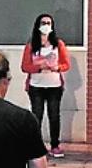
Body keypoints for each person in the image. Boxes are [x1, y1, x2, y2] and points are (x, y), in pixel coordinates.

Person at [21, 12, 72, 158]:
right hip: (36, 85)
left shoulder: (58, 44)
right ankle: (35, 145)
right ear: (38, 26)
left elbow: (66, 64)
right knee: (36, 115)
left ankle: (55, 145)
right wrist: (39, 67)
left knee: (54, 115)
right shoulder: (31, 45)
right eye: (43, 23)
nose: (46, 26)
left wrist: (57, 67)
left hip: (54, 86)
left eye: (49, 23)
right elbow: (25, 66)